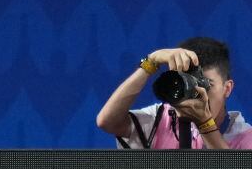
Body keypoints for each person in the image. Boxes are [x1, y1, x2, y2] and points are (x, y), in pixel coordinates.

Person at [96, 37, 252, 149]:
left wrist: (205, 124)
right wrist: (151, 62)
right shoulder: (160, 119)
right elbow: (107, 122)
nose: (197, 93)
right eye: (191, 83)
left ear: (227, 88)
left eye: (206, 85)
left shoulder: (246, 137)